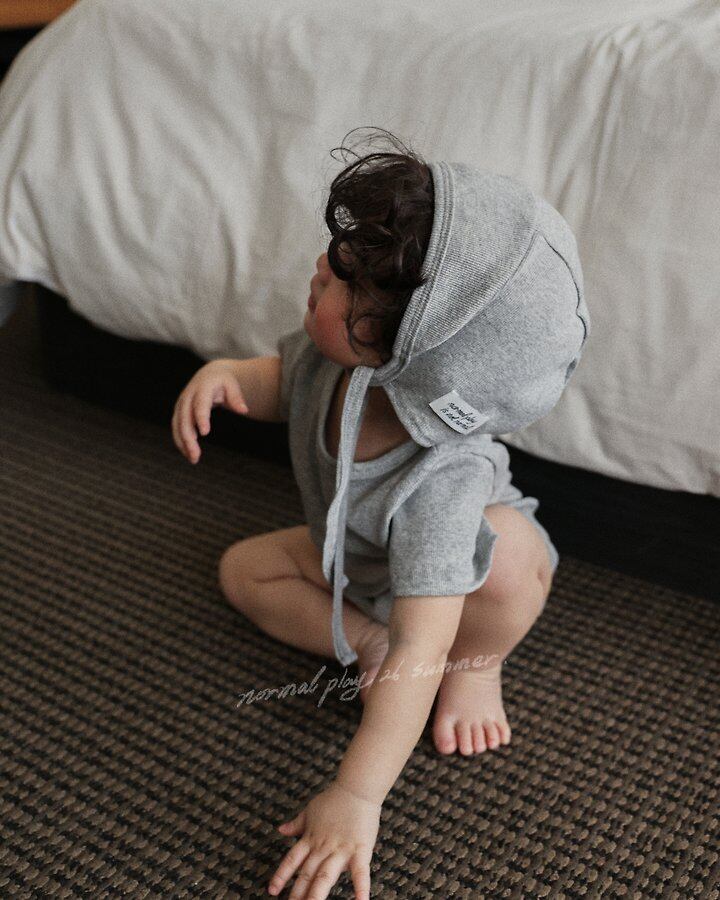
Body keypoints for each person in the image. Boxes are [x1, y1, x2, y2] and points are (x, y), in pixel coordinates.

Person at [171, 127, 590, 900]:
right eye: (342, 255)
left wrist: (356, 795)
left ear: (415, 357)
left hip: (457, 587)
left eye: (346, 281)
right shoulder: (329, 359)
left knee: (509, 563)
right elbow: (278, 384)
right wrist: (225, 376)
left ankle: (481, 663)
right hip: (357, 563)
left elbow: (423, 643)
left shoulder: (440, 485)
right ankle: (366, 640)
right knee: (242, 570)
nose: (322, 268)